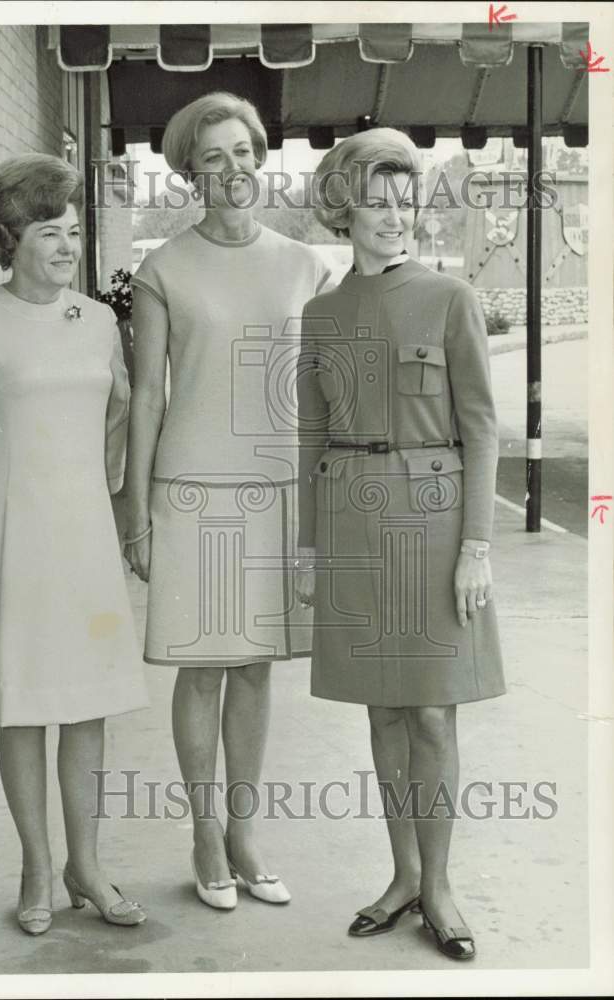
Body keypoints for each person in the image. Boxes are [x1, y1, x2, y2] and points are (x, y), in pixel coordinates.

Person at [0, 153, 150, 935]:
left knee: (89, 707)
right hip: (12, 544)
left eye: (74, 231)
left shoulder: (99, 321)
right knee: (24, 709)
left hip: (85, 543)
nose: (66, 247)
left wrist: (124, 512)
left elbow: (117, 424)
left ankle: (90, 865)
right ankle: (37, 868)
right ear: (8, 239)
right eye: (50, 232)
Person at [296, 129, 505, 960]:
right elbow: (311, 434)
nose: (393, 217)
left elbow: (483, 428)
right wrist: (309, 549)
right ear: (346, 209)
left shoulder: (450, 299)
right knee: (381, 709)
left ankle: (442, 886)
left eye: (405, 201)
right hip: (351, 515)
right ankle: (403, 875)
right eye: (376, 203)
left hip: (435, 515)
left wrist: (477, 547)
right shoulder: (321, 315)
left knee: (430, 709)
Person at [125, 92, 331, 909]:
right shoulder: (163, 269)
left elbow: (321, 398)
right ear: (188, 172)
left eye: (243, 150)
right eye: (213, 157)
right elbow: (145, 397)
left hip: (276, 490)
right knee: (203, 668)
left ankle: (245, 832)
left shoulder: (305, 265)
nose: (233, 168)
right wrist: (135, 509)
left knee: (254, 669)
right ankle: (205, 833)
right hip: (190, 491)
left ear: (261, 155)